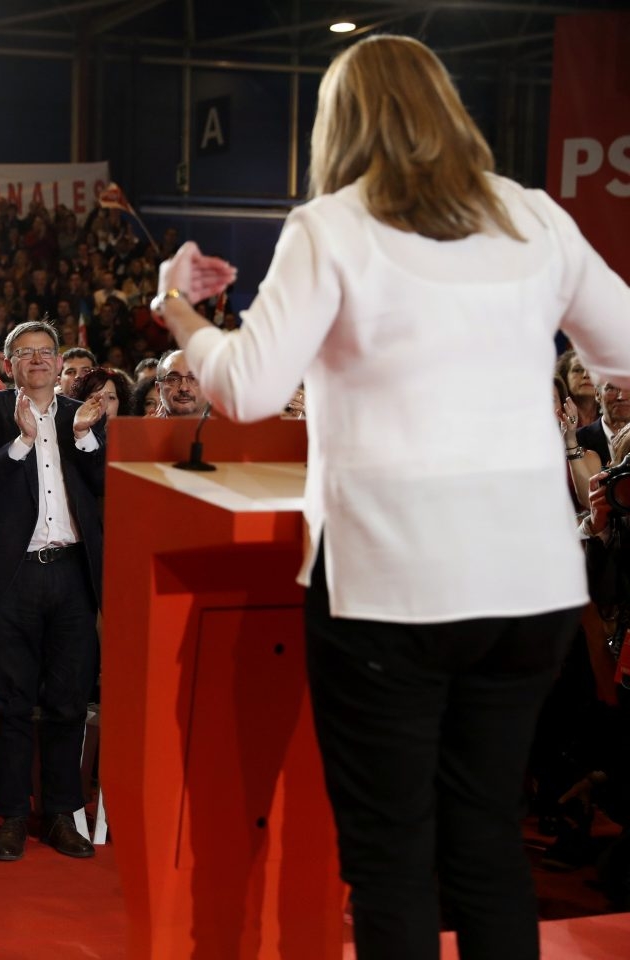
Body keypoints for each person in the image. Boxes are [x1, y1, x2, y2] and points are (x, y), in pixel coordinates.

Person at [153, 35, 630, 960]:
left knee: (393, 860)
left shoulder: (332, 226)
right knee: (487, 843)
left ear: (342, 126)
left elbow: (246, 390)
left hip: (392, 590)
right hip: (529, 588)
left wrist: (177, 311)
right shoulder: (535, 218)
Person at [0, 319, 107, 862]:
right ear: (9, 363)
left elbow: (105, 488)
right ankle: (15, 817)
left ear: (58, 361)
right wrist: (23, 442)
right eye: (26, 353)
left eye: (47, 352)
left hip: (73, 575)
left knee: (69, 701)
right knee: (14, 701)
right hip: (13, 577)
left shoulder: (80, 417)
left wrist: (88, 439)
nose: (39, 360)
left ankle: (64, 814)